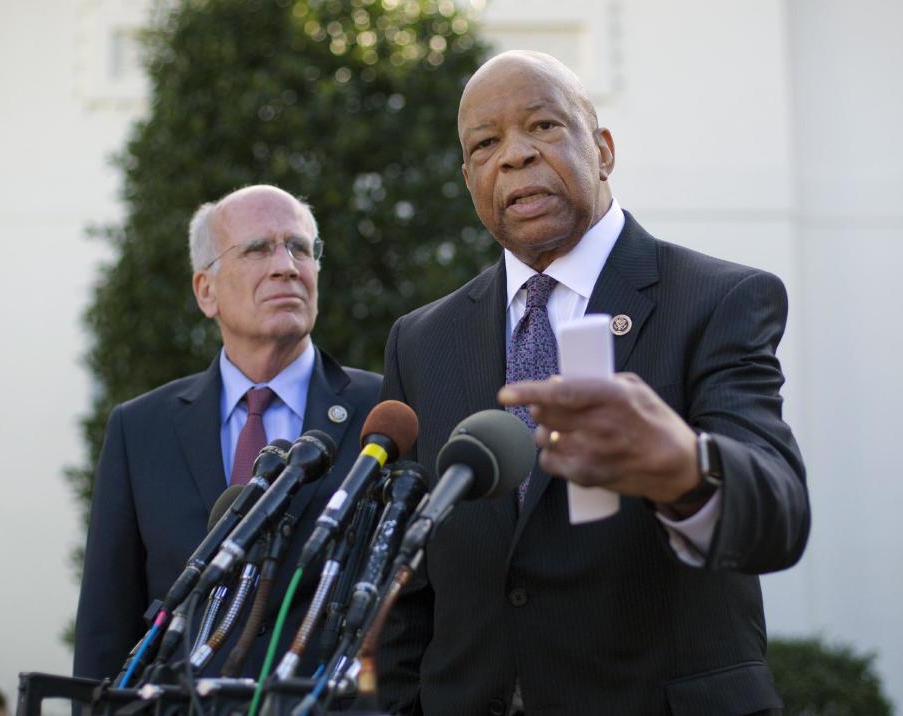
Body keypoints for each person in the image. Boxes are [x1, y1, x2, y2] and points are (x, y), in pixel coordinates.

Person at [376, 51, 809, 715]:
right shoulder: (421, 340)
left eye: (543, 126)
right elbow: (411, 587)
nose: (515, 155)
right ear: (470, 178)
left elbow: (779, 517)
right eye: (485, 143)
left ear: (603, 150)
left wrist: (686, 472)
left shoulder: (718, 299)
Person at [73, 185, 382, 680]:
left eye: (300, 247)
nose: (286, 266)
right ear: (206, 291)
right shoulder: (141, 429)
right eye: (258, 249)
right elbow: (105, 628)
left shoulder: (382, 411)